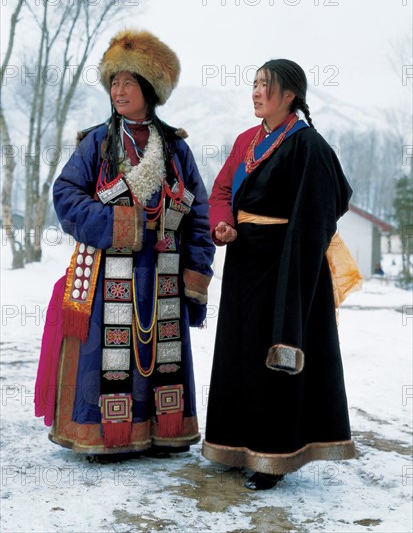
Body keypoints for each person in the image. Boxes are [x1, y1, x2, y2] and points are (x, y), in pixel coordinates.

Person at [35, 29, 214, 456]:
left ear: (149, 88)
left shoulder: (175, 149)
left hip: (163, 273)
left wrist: (198, 265)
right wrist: (120, 224)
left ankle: (162, 432)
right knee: (109, 355)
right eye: (114, 82)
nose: (119, 90)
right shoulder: (97, 142)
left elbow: (199, 210)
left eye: (129, 81)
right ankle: (108, 435)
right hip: (110, 273)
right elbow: (66, 196)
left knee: (160, 355)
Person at [202, 59, 356, 490]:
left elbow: (331, 202)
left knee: (274, 355)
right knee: (238, 354)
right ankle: (234, 445)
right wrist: (222, 222)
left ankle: (271, 457)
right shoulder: (244, 141)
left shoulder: (308, 144)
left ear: (290, 95)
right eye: (253, 84)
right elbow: (220, 192)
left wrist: (295, 252)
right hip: (243, 263)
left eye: (265, 86)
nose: (255, 92)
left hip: (285, 266)